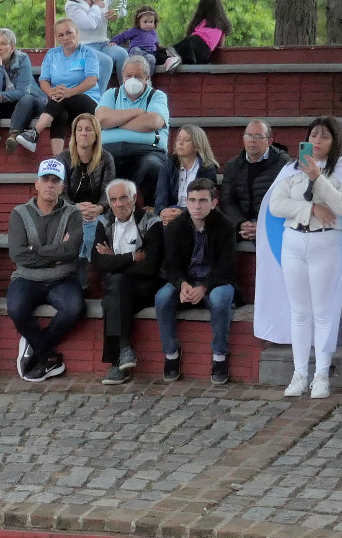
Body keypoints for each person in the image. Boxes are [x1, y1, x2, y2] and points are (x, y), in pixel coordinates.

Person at [259, 115, 342, 399]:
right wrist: (310, 209)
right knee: (299, 312)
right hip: (294, 240)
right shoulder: (292, 168)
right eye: (314, 135)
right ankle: (299, 373)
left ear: (335, 141)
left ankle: (321, 375)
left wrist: (318, 177)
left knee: (323, 311)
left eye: (324, 136)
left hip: (325, 242)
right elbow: (277, 204)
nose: (317, 141)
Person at [8, 158, 85, 381]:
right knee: (16, 308)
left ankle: (34, 344)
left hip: (63, 279)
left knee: (75, 308)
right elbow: (17, 254)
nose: (50, 184)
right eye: (45, 179)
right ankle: (48, 355)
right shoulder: (19, 213)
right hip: (26, 278)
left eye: (55, 181)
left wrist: (35, 249)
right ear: (37, 184)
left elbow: (71, 251)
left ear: (62, 187)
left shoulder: (73, 213)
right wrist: (56, 255)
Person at [155, 178, 237, 384]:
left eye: (202, 200)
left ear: (213, 203)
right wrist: (182, 284)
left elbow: (226, 268)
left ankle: (219, 357)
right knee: (162, 298)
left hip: (215, 283)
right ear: (186, 201)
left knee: (220, 299)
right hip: (186, 281)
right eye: (192, 200)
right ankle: (171, 354)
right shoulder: (176, 226)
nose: (197, 206)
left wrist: (203, 287)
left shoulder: (226, 226)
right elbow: (171, 265)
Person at [93, 178, 164, 384]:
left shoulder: (151, 222)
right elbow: (98, 262)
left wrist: (113, 259)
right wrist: (131, 257)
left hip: (146, 286)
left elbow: (150, 266)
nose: (119, 204)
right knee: (116, 289)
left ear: (134, 199)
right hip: (119, 286)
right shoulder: (103, 222)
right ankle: (124, 350)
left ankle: (116, 364)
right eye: (113, 200)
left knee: (115, 291)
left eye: (123, 198)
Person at [17, 18, 101, 156]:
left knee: (61, 98)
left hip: (88, 101)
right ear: (56, 37)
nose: (66, 38)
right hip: (60, 101)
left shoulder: (88, 53)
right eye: (61, 35)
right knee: (60, 112)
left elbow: (92, 80)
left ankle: (35, 132)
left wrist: (70, 92)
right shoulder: (52, 54)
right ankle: (58, 159)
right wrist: (50, 91)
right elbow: (44, 80)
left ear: (77, 32)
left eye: (69, 33)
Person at [95, 53, 169, 204]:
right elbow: (101, 120)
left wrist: (115, 121)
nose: (132, 80)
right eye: (129, 75)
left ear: (147, 78)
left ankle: (150, 208)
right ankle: (103, 209)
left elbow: (153, 122)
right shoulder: (112, 94)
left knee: (153, 166)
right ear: (122, 77)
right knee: (96, 164)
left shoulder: (157, 96)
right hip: (109, 150)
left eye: (138, 76)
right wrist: (137, 113)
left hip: (148, 151)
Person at [220, 120, 289, 243]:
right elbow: (227, 201)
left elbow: (287, 200)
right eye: (248, 136)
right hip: (242, 223)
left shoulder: (283, 163)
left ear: (269, 141)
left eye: (258, 136)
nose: (252, 140)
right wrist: (241, 223)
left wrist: (262, 224)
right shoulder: (233, 165)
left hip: (272, 224)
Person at [0, 28, 43, 150]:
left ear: (12, 47)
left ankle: (14, 134)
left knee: (26, 99)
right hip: (7, 105)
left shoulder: (22, 59)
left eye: (3, 43)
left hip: (30, 104)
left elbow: (24, 92)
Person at [65, 113, 113, 274]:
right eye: (79, 129)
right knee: (79, 228)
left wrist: (99, 208)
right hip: (70, 211)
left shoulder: (106, 158)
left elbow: (108, 190)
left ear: (96, 134)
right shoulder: (64, 158)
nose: (83, 133)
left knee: (94, 225)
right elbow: (61, 193)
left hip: (98, 212)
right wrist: (76, 208)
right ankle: (82, 281)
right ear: (74, 134)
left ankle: (97, 276)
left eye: (88, 129)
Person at [64, 0, 125, 89]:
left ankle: (125, 93)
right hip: (83, 47)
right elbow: (89, 24)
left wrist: (117, 13)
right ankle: (98, 98)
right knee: (106, 62)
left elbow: (123, 2)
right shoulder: (72, 5)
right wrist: (96, 6)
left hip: (103, 44)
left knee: (122, 54)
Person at [155, 124, 222, 223]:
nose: (180, 143)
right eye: (178, 139)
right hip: (169, 213)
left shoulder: (207, 169)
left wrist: (183, 212)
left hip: (195, 215)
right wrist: (162, 211)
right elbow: (161, 195)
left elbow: (204, 200)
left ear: (197, 146)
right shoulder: (168, 165)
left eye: (186, 140)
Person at [109, 5, 180, 74]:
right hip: (138, 52)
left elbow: (156, 43)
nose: (148, 24)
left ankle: (147, 77)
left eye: (151, 22)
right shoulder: (135, 30)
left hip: (148, 53)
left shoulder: (153, 33)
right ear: (138, 22)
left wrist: (160, 48)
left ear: (154, 22)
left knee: (152, 59)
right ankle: (133, 71)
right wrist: (114, 41)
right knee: (135, 50)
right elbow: (123, 36)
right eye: (145, 22)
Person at [171, 0, 230, 66]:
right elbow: (220, 45)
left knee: (174, 51)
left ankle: (171, 57)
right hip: (204, 51)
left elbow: (192, 33)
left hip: (192, 42)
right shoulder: (221, 24)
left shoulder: (199, 21)